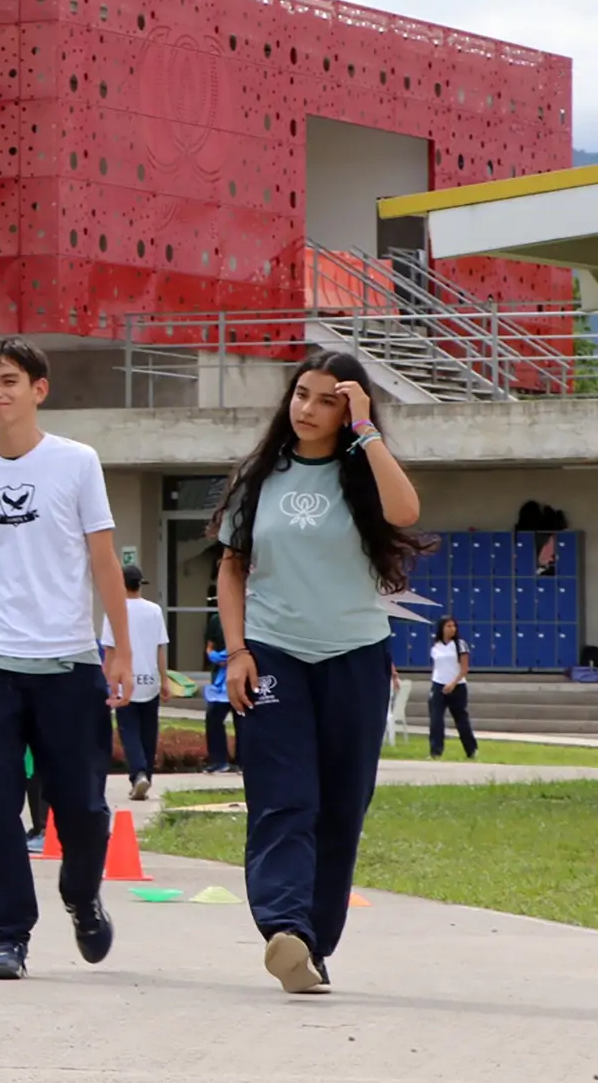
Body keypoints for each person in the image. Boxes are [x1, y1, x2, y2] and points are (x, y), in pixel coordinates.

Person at [213, 350, 423, 994]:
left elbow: (407, 512)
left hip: (354, 656)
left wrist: (367, 431)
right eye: (302, 394)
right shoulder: (259, 477)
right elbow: (231, 569)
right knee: (283, 798)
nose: (307, 408)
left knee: (341, 806)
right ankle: (284, 926)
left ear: (349, 408)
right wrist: (239, 651)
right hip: (275, 652)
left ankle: (312, 943)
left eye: (327, 399)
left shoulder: (363, 476)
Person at [0, 336, 132, 981]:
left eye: (8, 381)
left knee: (81, 805)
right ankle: (7, 937)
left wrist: (120, 650)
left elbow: (104, 560)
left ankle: (82, 895)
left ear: (38, 389)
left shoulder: (76, 462)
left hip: (68, 659)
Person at [103, 565, 170, 800]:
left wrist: (106, 680)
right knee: (149, 731)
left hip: (125, 682)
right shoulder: (154, 610)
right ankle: (146, 776)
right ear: (140, 584)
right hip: (150, 679)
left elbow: (110, 651)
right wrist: (164, 679)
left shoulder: (114, 611)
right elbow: (160, 647)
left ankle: (138, 773)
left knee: (128, 731)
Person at [428, 616, 477, 760]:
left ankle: (471, 750)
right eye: (448, 626)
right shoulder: (436, 645)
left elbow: (464, 668)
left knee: (461, 719)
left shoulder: (460, 645)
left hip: (457, 686)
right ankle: (435, 751)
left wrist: (453, 683)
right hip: (438, 685)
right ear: (442, 628)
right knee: (436, 719)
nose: (452, 629)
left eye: (453, 626)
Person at [202, 644, 240, 773]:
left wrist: (209, 651)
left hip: (231, 689)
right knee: (217, 721)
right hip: (224, 689)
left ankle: (222, 761)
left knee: (215, 721)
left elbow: (221, 657)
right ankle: (225, 762)